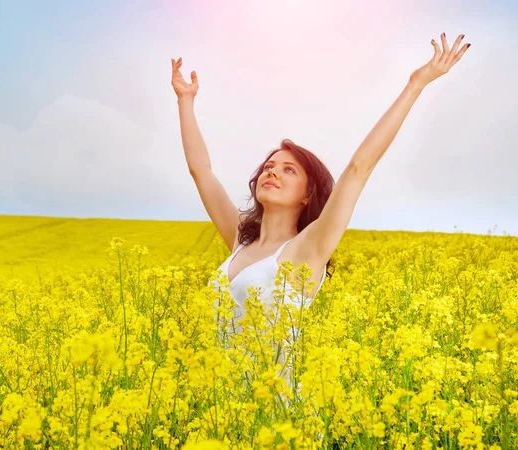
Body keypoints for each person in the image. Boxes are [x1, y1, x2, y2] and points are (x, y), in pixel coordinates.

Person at [171, 30, 471, 415]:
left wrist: (417, 83)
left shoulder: (307, 249)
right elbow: (203, 174)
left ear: (308, 194)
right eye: (268, 167)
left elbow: (359, 167)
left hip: (279, 421)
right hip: (223, 417)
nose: (271, 173)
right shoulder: (239, 244)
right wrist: (185, 101)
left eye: (288, 170)